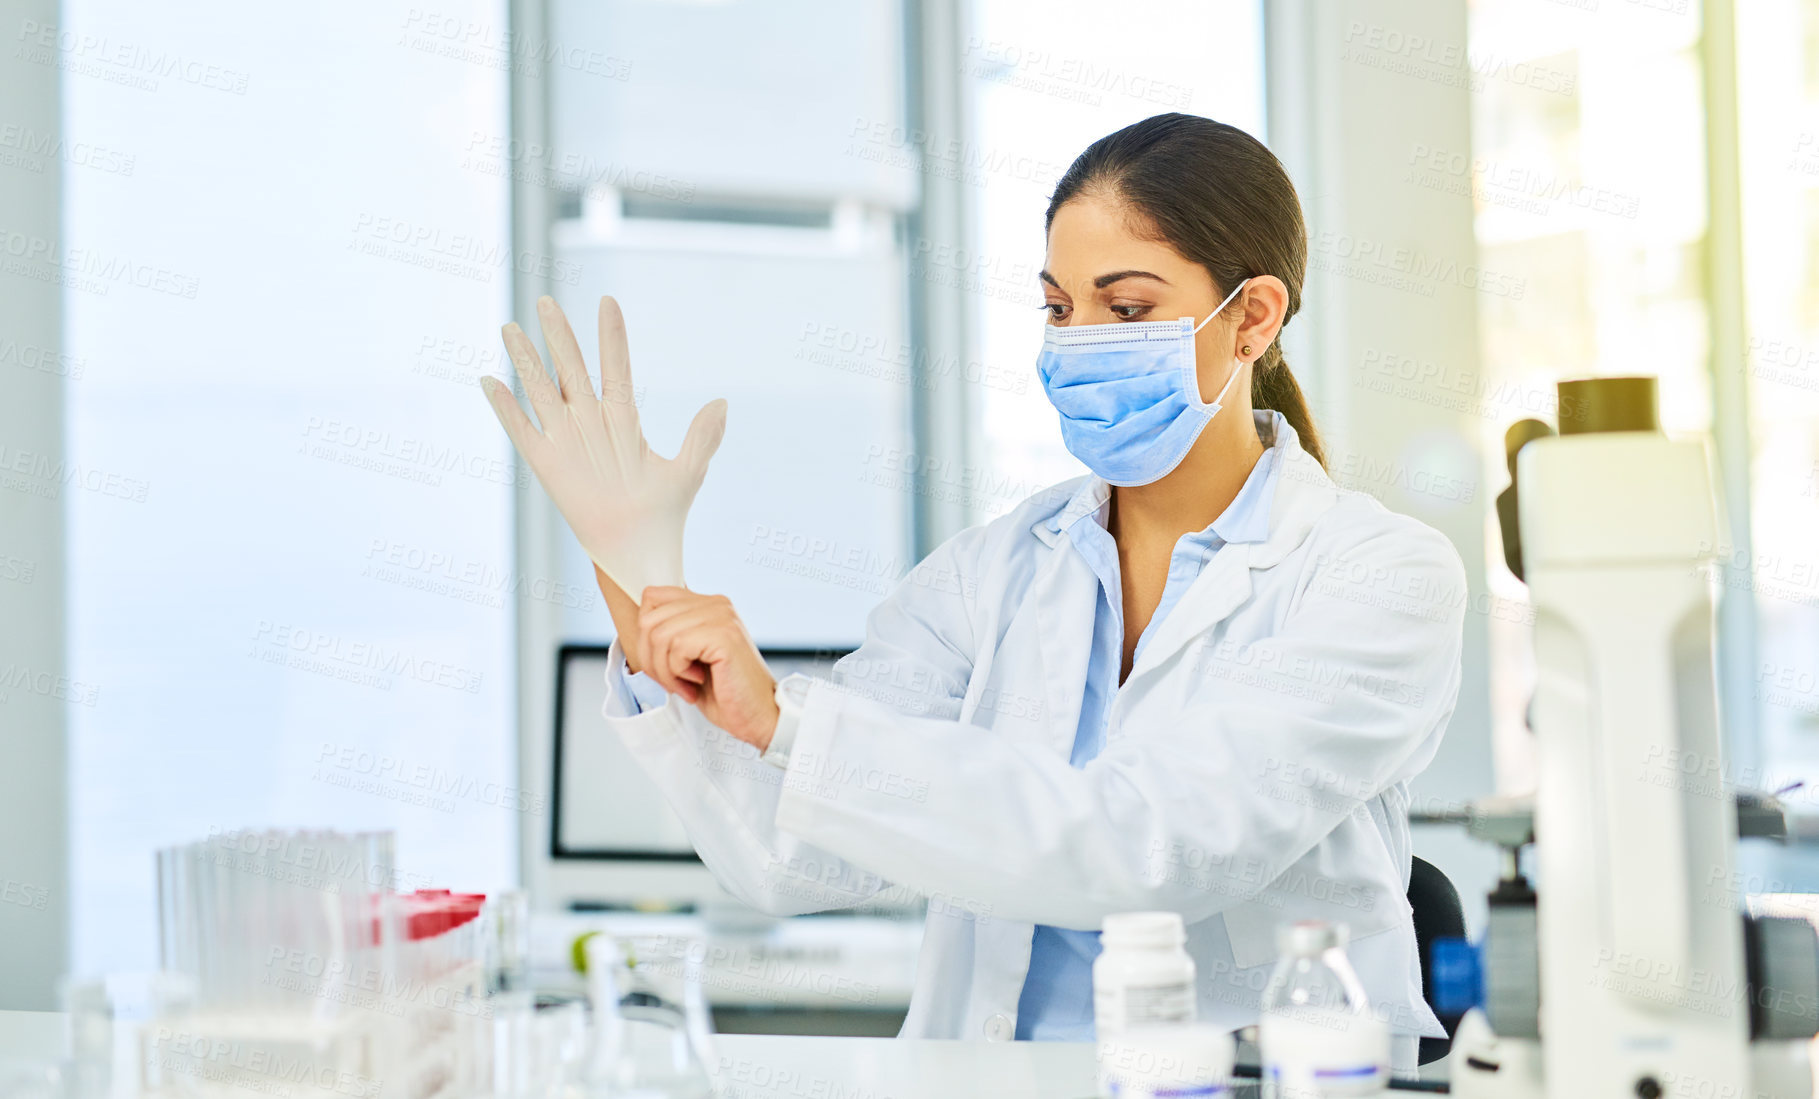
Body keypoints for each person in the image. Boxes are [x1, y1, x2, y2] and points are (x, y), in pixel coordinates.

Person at [481, 113, 1465, 1070]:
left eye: (1123, 309)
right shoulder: (993, 571)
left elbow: (1146, 846)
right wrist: (636, 564)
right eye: (1057, 306)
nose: (1076, 341)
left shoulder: (1377, 578)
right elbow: (783, 852)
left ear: (1251, 317)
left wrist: (790, 719)